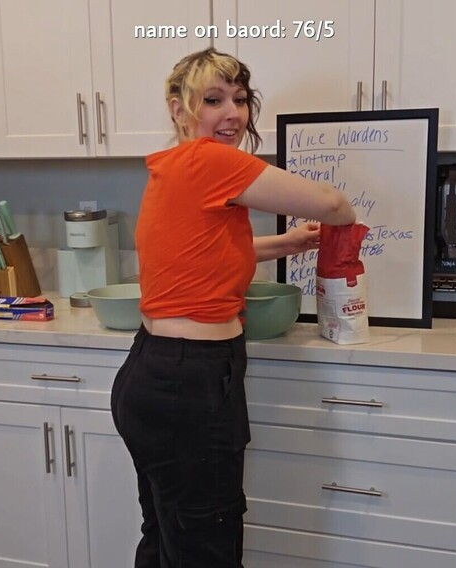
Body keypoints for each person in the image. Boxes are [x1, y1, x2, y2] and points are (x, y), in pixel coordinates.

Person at [110, 48, 357, 567]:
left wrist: (283, 244)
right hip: (190, 382)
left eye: (240, 100)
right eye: (213, 100)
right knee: (206, 546)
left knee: (166, 536)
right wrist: (348, 219)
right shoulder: (210, 161)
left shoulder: (174, 167)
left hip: (152, 372)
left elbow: (195, 252)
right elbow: (332, 203)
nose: (232, 114)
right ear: (178, 109)